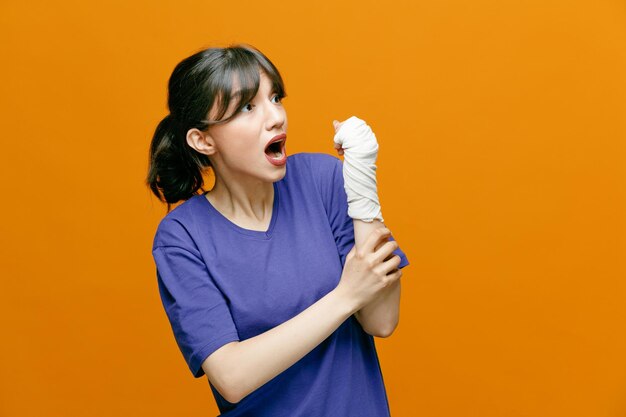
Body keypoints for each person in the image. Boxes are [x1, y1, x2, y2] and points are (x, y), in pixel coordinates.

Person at [146, 43, 410, 416]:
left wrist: (362, 182)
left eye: (275, 98)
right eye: (248, 108)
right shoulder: (182, 237)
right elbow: (231, 377)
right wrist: (346, 296)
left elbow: (381, 321)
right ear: (203, 140)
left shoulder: (323, 181)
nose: (275, 118)